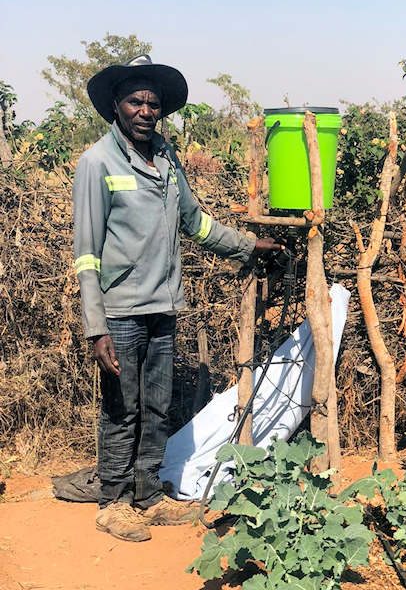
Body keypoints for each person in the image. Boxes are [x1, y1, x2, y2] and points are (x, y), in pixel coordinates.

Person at [73, 55, 281, 542]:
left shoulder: (166, 160)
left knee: (157, 406)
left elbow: (196, 222)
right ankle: (114, 502)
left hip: (164, 307)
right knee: (122, 407)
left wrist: (249, 246)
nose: (146, 110)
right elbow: (86, 254)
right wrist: (95, 326)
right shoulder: (97, 162)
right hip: (120, 311)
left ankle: (148, 495)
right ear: (116, 108)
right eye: (135, 101)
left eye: (153, 103)